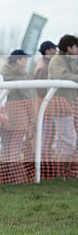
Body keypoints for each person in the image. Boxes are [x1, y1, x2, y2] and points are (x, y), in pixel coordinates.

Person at [47, 34, 78, 178]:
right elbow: (64, 77)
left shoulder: (67, 61)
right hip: (60, 105)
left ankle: (60, 174)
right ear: (69, 47)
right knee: (68, 139)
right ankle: (60, 173)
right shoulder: (57, 61)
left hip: (65, 104)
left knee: (63, 139)